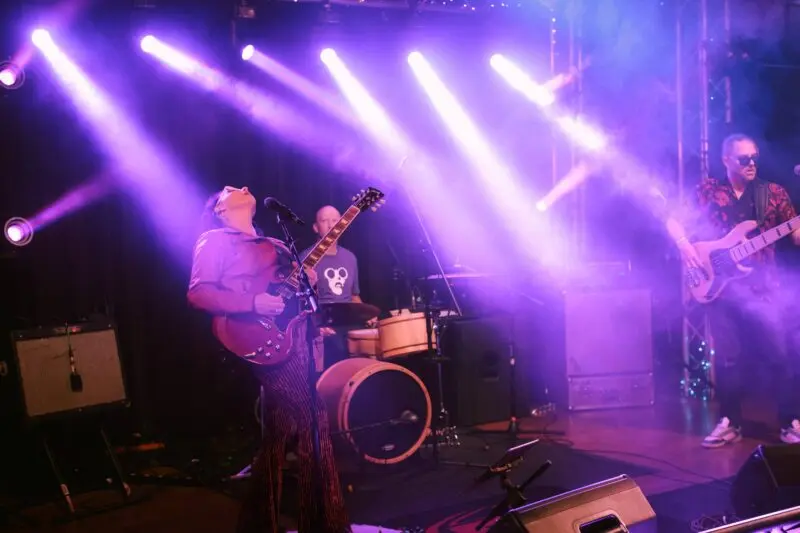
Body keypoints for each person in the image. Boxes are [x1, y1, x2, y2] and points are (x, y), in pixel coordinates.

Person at [187, 186, 351, 533]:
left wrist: (308, 283)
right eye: (230, 190)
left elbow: (289, 293)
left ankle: (258, 523)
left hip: (294, 336)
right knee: (314, 417)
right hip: (253, 336)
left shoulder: (276, 244)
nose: (241, 187)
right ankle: (324, 525)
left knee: (277, 435)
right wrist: (252, 303)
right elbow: (198, 292)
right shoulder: (214, 240)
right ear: (221, 210)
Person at [670, 134, 800, 447]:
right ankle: (730, 422)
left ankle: (789, 421)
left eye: (754, 157)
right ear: (727, 160)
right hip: (721, 290)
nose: (751, 163)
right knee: (728, 359)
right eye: (744, 159)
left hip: (764, 289)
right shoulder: (708, 191)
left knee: (780, 355)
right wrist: (685, 245)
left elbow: (795, 236)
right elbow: (673, 220)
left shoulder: (774, 193)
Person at [303, 205, 374, 368]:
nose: (331, 225)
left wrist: (367, 315)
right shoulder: (307, 258)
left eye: (335, 221)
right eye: (324, 221)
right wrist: (316, 326)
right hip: (323, 326)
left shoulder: (350, 257)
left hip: (348, 322)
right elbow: (301, 302)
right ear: (315, 227)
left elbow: (354, 296)